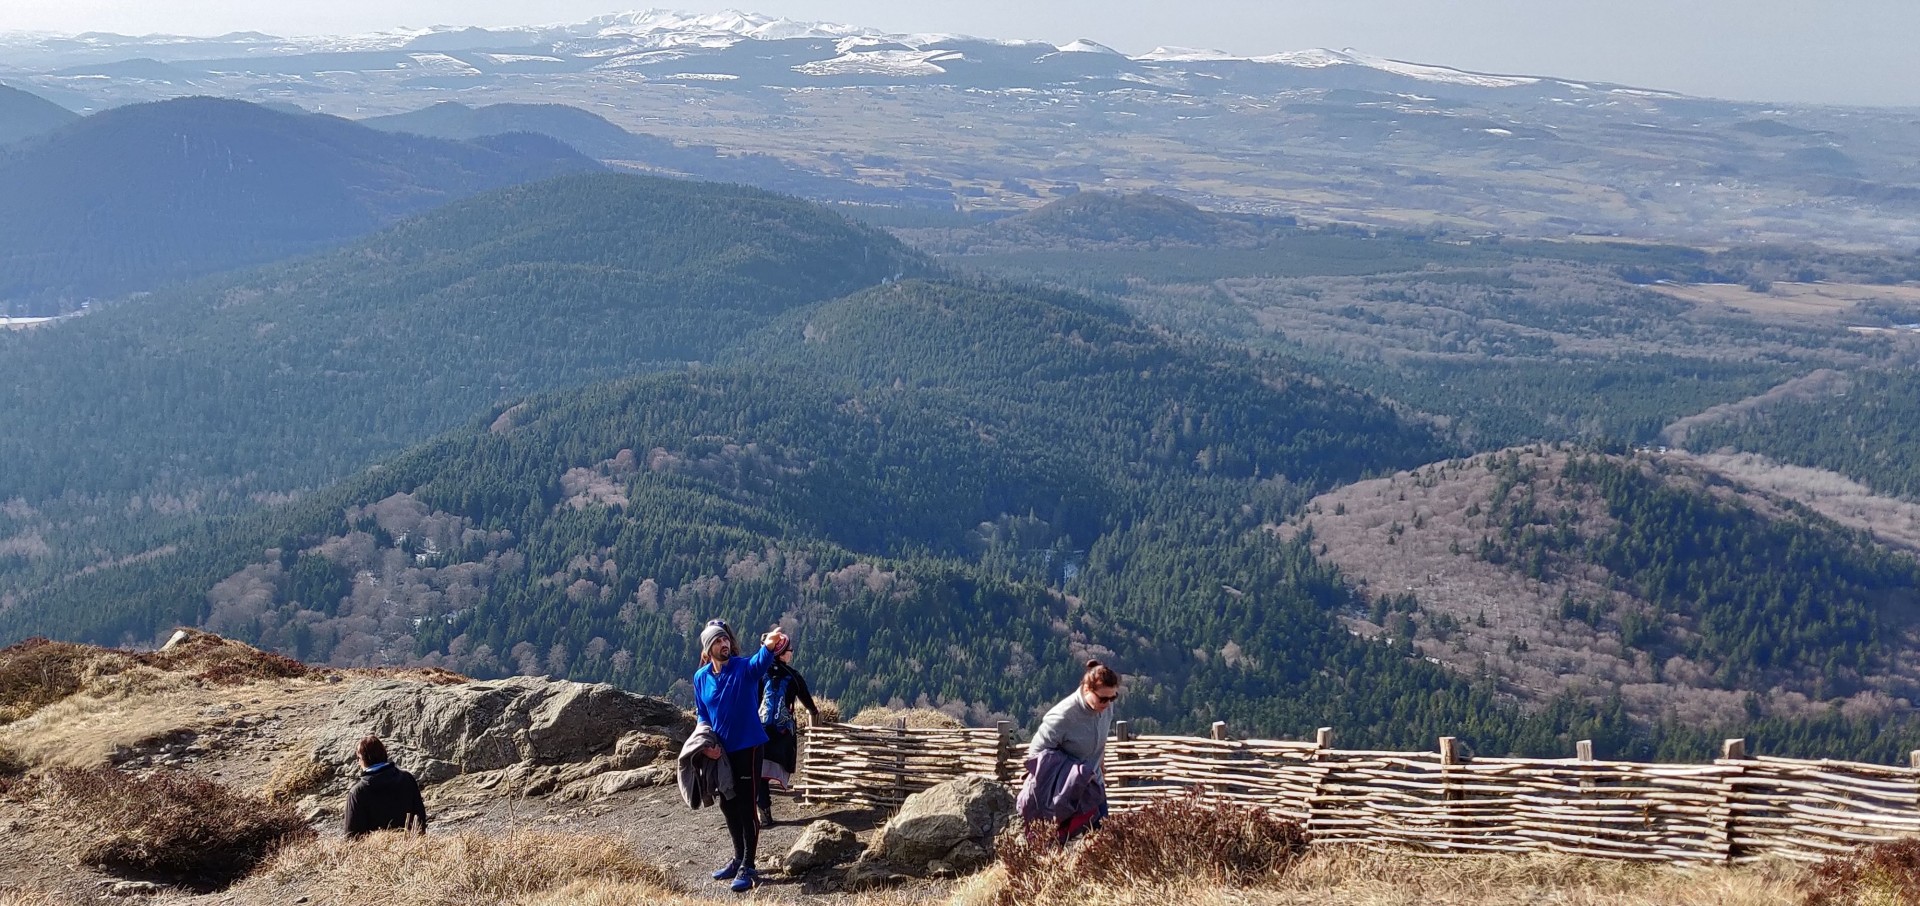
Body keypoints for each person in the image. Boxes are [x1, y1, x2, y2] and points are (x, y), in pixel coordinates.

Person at [693, 619, 788, 893]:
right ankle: (736, 858)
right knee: (728, 804)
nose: (724, 644)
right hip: (720, 753)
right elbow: (702, 714)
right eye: (718, 641)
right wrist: (705, 744)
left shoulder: (743, 668)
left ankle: (749, 864)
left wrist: (770, 646)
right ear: (707, 649)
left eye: (725, 640)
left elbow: (759, 663)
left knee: (747, 807)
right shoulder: (701, 678)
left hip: (749, 748)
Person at [1024, 659, 1121, 841]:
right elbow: (1035, 755)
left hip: (1094, 788)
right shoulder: (1062, 716)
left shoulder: (1106, 708)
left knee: (1103, 841)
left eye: (1113, 697)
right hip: (1066, 794)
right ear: (1086, 689)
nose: (1108, 703)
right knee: (1065, 844)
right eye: (1103, 698)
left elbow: (1100, 741)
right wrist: (1073, 772)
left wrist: (1101, 765)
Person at [756, 635, 819, 828]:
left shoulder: (760, 674)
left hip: (761, 730)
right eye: (790, 650)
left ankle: (764, 811)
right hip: (783, 734)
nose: (792, 652)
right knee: (773, 767)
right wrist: (815, 715)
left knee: (759, 772)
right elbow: (808, 703)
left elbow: (754, 702)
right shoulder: (792, 676)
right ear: (782, 654)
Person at [342, 734, 428, 837]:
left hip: (376, 851)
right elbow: (420, 819)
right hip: (411, 846)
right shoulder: (407, 779)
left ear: (362, 759)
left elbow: (351, 836)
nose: (358, 762)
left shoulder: (358, 792)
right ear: (384, 754)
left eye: (358, 758)